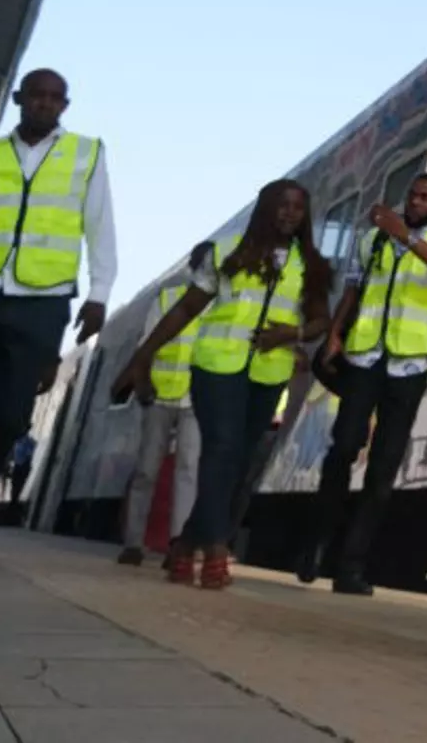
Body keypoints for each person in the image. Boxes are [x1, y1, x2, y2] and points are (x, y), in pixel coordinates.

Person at [0, 69, 112, 568]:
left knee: (10, 419)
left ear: (65, 106)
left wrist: (99, 293)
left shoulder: (87, 154)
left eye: (55, 97)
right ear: (19, 99)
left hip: (41, 301)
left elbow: (100, 227)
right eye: (36, 94)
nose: (44, 103)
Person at [112, 179, 331, 589]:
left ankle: (184, 543)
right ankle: (214, 547)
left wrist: (293, 335)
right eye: (281, 205)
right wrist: (143, 355)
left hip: (268, 372)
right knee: (221, 448)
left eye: (298, 208)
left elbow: (321, 320)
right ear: (266, 208)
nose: (289, 213)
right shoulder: (227, 251)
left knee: (239, 460)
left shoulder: (311, 265)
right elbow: (186, 309)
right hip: (216, 366)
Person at [298, 171, 427, 595]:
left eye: (425, 197)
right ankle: (316, 544)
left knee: (383, 467)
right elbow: (354, 290)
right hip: (366, 355)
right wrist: (335, 333)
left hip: (410, 364)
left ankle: (351, 567)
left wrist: (405, 237)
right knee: (344, 447)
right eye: (412, 194)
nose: (415, 201)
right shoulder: (372, 239)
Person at [116, 268, 205, 565]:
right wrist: (142, 381)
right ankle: (133, 543)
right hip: (160, 396)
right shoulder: (167, 299)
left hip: (196, 398)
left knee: (188, 469)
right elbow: (147, 344)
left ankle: (177, 546)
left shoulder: (222, 303)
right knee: (147, 469)